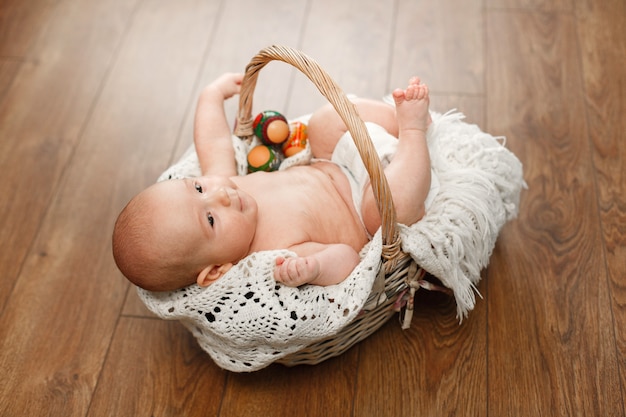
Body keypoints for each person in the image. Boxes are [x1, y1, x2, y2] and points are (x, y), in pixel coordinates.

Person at [112, 72, 432, 292]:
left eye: (198, 188)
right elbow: (349, 261)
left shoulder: (226, 182)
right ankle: (414, 133)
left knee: (321, 124)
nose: (221, 195)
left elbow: (212, 142)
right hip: (366, 210)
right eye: (210, 219)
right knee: (384, 210)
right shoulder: (271, 257)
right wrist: (315, 269)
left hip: (336, 161)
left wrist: (211, 96)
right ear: (216, 270)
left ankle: (396, 121)